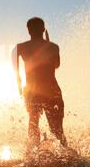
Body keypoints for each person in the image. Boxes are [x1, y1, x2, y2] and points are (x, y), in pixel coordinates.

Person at [12, 17, 68, 155]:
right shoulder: (54, 47)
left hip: (32, 90)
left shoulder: (20, 47)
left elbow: (16, 71)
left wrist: (20, 87)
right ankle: (66, 154)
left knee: (33, 123)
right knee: (57, 129)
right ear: (43, 29)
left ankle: (33, 156)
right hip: (51, 89)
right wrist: (47, 44)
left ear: (28, 30)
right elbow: (56, 65)